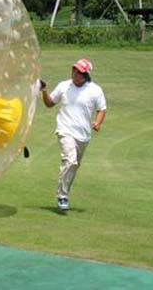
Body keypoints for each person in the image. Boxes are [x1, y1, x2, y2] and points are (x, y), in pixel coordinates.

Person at [40, 58, 107, 211]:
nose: (76, 74)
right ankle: (62, 196)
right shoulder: (64, 86)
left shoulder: (95, 90)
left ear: (86, 75)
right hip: (65, 130)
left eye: (80, 72)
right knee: (70, 160)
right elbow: (50, 103)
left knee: (74, 166)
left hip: (83, 135)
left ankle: (64, 193)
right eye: (74, 70)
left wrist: (97, 122)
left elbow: (102, 109)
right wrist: (44, 91)